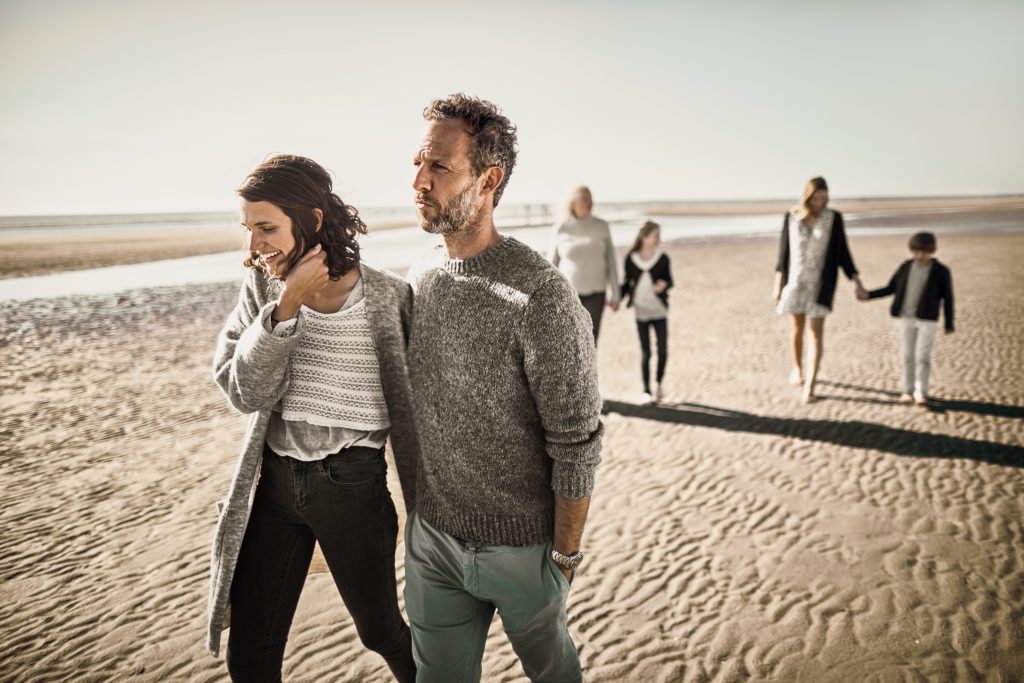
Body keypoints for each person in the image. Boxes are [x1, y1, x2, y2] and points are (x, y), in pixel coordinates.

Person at [405, 93, 602, 683]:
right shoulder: (421, 278)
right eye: (418, 161)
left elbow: (577, 440)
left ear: (488, 179)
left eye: (439, 166)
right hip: (433, 546)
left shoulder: (541, 295)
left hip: (524, 552)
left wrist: (563, 557)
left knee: (554, 674)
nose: (420, 179)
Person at [206, 154, 418, 682]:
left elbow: (425, 404)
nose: (254, 245)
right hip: (273, 487)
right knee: (251, 657)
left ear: (314, 220)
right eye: (248, 229)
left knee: (381, 631)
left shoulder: (388, 296)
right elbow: (244, 392)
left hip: (352, 488)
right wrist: (286, 307)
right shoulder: (261, 290)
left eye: (266, 227)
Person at [773, 176, 866, 403]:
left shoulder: (833, 218)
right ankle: (797, 368)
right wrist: (777, 284)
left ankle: (810, 386)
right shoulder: (792, 217)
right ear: (808, 196)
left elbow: (843, 252)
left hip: (821, 286)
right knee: (796, 329)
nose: (819, 202)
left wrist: (856, 280)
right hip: (795, 283)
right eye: (816, 198)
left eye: (824, 198)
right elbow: (783, 253)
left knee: (815, 333)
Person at [858, 231, 955, 406]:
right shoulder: (905, 266)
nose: (919, 255)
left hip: (928, 320)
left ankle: (921, 392)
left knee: (922, 356)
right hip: (906, 318)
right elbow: (891, 288)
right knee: (907, 356)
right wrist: (869, 295)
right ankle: (907, 391)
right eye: (916, 251)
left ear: (932, 250)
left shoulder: (941, 271)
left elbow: (948, 298)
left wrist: (949, 323)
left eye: (924, 252)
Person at [548, 186, 621, 340]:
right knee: (569, 342)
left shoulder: (601, 226)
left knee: (590, 342)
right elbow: (550, 266)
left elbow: (611, 262)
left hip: (596, 293)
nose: (588, 202)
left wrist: (615, 294)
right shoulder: (561, 227)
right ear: (573, 202)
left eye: (590, 198)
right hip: (568, 295)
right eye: (584, 198)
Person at [620, 220, 673, 404]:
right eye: (655, 235)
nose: (658, 239)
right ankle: (646, 391)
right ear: (644, 237)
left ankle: (658, 385)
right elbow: (626, 284)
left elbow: (670, 281)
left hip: (659, 311)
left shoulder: (663, 258)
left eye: (659, 236)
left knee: (663, 350)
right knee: (646, 352)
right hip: (640, 311)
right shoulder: (630, 259)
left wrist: (664, 285)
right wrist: (615, 299)